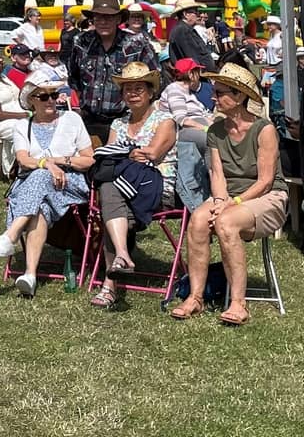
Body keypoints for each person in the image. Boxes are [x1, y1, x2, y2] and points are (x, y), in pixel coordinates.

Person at [170, 64, 290, 326]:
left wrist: (232, 204)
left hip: (267, 196)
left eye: (220, 92)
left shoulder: (264, 129)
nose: (213, 97)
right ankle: (195, 296)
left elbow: (266, 181)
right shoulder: (215, 131)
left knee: (226, 223)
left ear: (238, 96)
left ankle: (238, 304)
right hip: (229, 196)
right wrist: (221, 200)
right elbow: (217, 174)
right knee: (198, 221)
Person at [0, 78, 95, 297]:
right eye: (44, 96)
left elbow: (89, 159)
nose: (51, 101)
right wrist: (47, 165)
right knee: (41, 202)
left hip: (69, 184)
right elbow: (23, 160)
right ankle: (30, 275)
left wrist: (60, 161)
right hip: (32, 185)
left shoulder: (72, 119)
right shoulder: (21, 126)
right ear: (31, 100)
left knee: (40, 176)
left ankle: (12, 234)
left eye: (54, 95)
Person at [90, 63, 178, 308]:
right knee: (110, 191)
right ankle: (121, 257)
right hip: (121, 188)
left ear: (151, 92)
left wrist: (125, 154)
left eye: (139, 88)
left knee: (110, 200)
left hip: (155, 186)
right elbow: (108, 157)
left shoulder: (165, 121)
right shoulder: (118, 124)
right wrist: (129, 155)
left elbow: (154, 154)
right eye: (127, 89)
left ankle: (110, 285)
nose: (133, 93)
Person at [68, 0, 158, 143]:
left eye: (109, 18)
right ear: (93, 20)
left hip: (125, 121)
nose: (103, 22)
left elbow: (155, 78)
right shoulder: (81, 42)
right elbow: (73, 76)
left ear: (118, 19)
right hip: (89, 119)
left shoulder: (136, 44)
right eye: (98, 17)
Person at [159, 57, 213, 151]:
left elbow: (202, 114)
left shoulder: (188, 91)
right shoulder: (174, 89)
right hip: (182, 129)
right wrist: (205, 128)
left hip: (197, 124)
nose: (200, 73)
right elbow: (181, 119)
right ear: (190, 73)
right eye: (197, 70)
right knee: (211, 140)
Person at [166, 0, 215, 72]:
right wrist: (200, 73)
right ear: (185, 14)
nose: (198, 14)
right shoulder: (182, 30)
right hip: (193, 77)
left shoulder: (186, 29)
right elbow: (191, 56)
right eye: (195, 12)